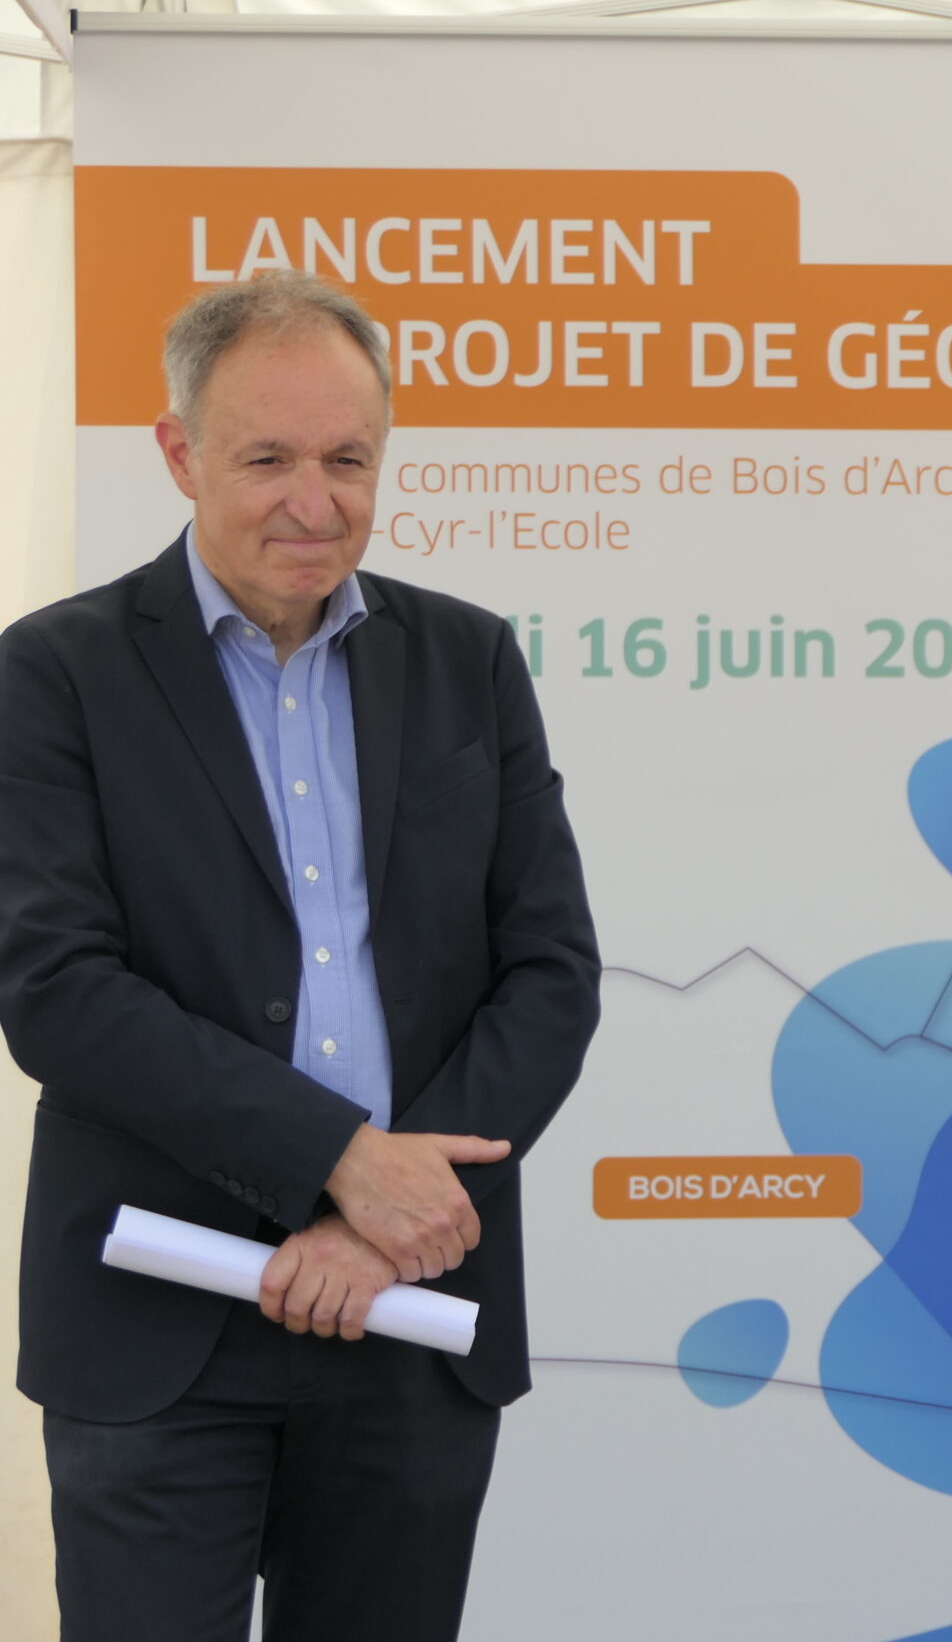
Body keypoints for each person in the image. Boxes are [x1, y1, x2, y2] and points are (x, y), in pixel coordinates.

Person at [0, 271, 601, 1642]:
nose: (314, 503)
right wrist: (339, 1160)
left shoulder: (469, 661)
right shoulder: (53, 675)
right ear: (180, 453)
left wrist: (390, 1219)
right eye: (267, 458)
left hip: (412, 1308)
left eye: (348, 460)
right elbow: (56, 990)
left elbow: (550, 971)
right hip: (157, 1323)